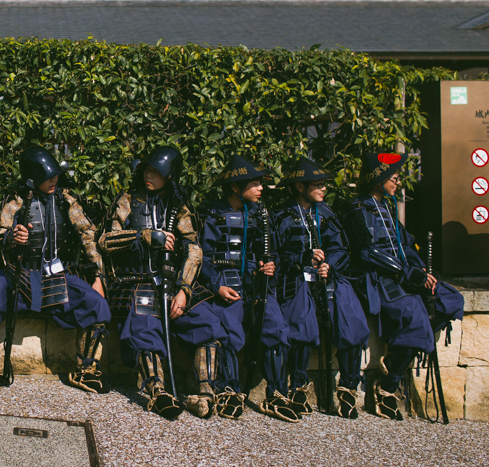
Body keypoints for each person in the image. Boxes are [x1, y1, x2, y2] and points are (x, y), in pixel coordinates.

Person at [0, 146, 111, 393]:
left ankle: (86, 370)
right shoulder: (15, 201)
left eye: (55, 175)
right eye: (47, 177)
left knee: (96, 305)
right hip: (20, 272)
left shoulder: (67, 200)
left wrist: (98, 275)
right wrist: (11, 238)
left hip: (59, 273)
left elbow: (87, 235)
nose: (53, 180)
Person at [99, 147, 225, 419]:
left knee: (207, 323)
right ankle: (157, 391)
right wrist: (142, 235)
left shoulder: (179, 207)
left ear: (169, 176)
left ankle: (206, 392)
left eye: (156, 172)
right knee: (143, 326)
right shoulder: (127, 200)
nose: (149, 175)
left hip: (173, 283)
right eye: (147, 169)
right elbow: (105, 241)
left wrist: (184, 289)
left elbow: (193, 248)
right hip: (136, 279)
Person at [341, 151, 464, 420]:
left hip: (406, 275)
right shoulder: (358, 209)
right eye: (393, 178)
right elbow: (366, 253)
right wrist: (410, 274)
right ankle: (388, 385)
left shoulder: (387, 206)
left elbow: (404, 243)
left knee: (451, 300)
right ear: (377, 178)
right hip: (380, 280)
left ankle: (399, 348)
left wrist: (421, 270)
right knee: (417, 316)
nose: (397, 183)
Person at [200, 155, 298, 422]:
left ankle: (276, 393)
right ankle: (229, 389)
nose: (261, 188)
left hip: (257, 284)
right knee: (230, 329)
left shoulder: (262, 215)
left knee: (276, 326)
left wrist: (271, 265)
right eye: (255, 183)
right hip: (226, 282)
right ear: (235, 187)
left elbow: (273, 252)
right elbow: (203, 258)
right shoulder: (214, 214)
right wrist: (216, 285)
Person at [272, 157, 370, 419]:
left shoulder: (327, 213)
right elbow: (276, 256)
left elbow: (340, 248)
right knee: (301, 317)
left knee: (350, 313)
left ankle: (348, 389)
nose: (323, 188)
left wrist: (330, 265)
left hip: (328, 278)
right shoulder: (280, 215)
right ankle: (299, 386)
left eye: (324, 184)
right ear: (300, 187)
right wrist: (303, 258)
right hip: (294, 279)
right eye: (317, 184)